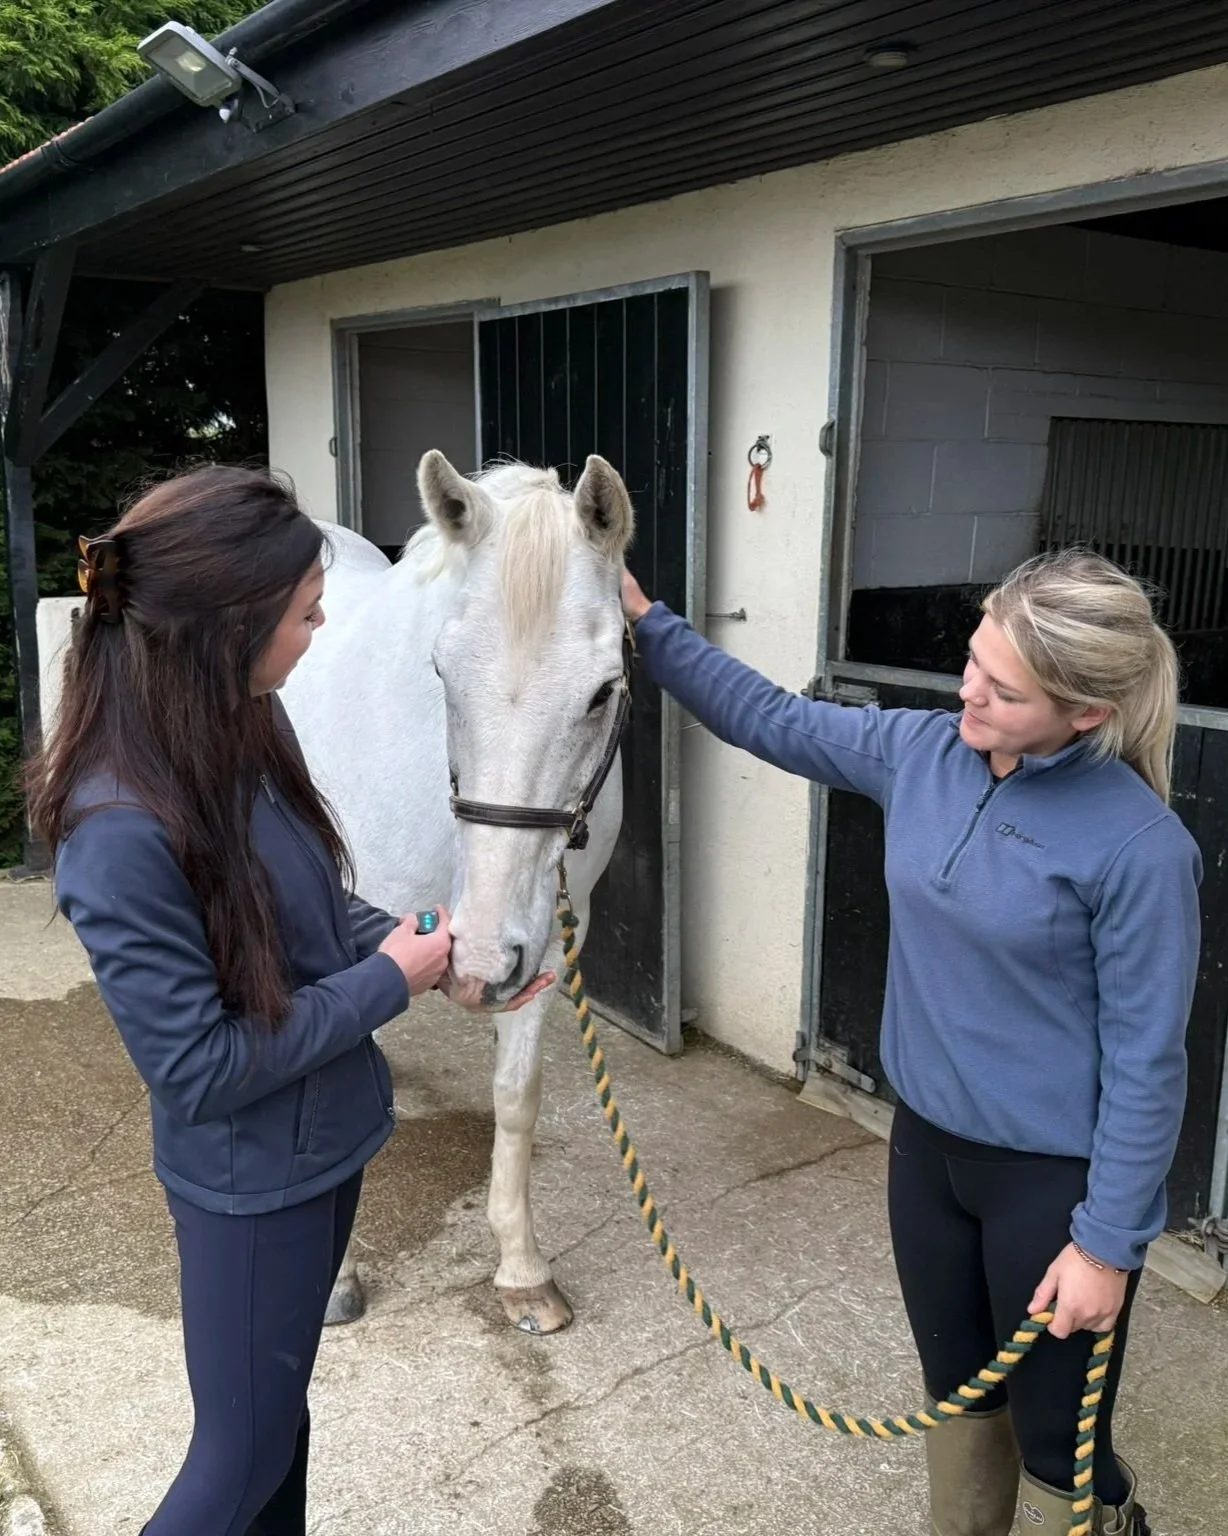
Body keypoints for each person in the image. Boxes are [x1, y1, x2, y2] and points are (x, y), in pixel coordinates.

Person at [621, 548, 1201, 1536]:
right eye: (972, 660)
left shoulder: (1140, 849)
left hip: (1048, 1184)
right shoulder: (923, 751)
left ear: (1086, 715)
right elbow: (772, 718)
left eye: (1003, 690)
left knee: (1058, 1437)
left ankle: (1108, 1517)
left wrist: (1105, 1246)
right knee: (960, 1395)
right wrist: (645, 620)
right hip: (926, 1152)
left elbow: (1150, 1063)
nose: (967, 692)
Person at [28, 466, 550, 1536]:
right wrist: (386, 983)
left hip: (323, 1148)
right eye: (306, 614)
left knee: (281, 1428)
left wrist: (427, 948)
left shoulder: (243, 720)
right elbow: (200, 1070)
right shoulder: (116, 829)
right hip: (250, 1186)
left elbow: (309, 909)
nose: (320, 630)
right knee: (236, 1461)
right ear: (228, 625)